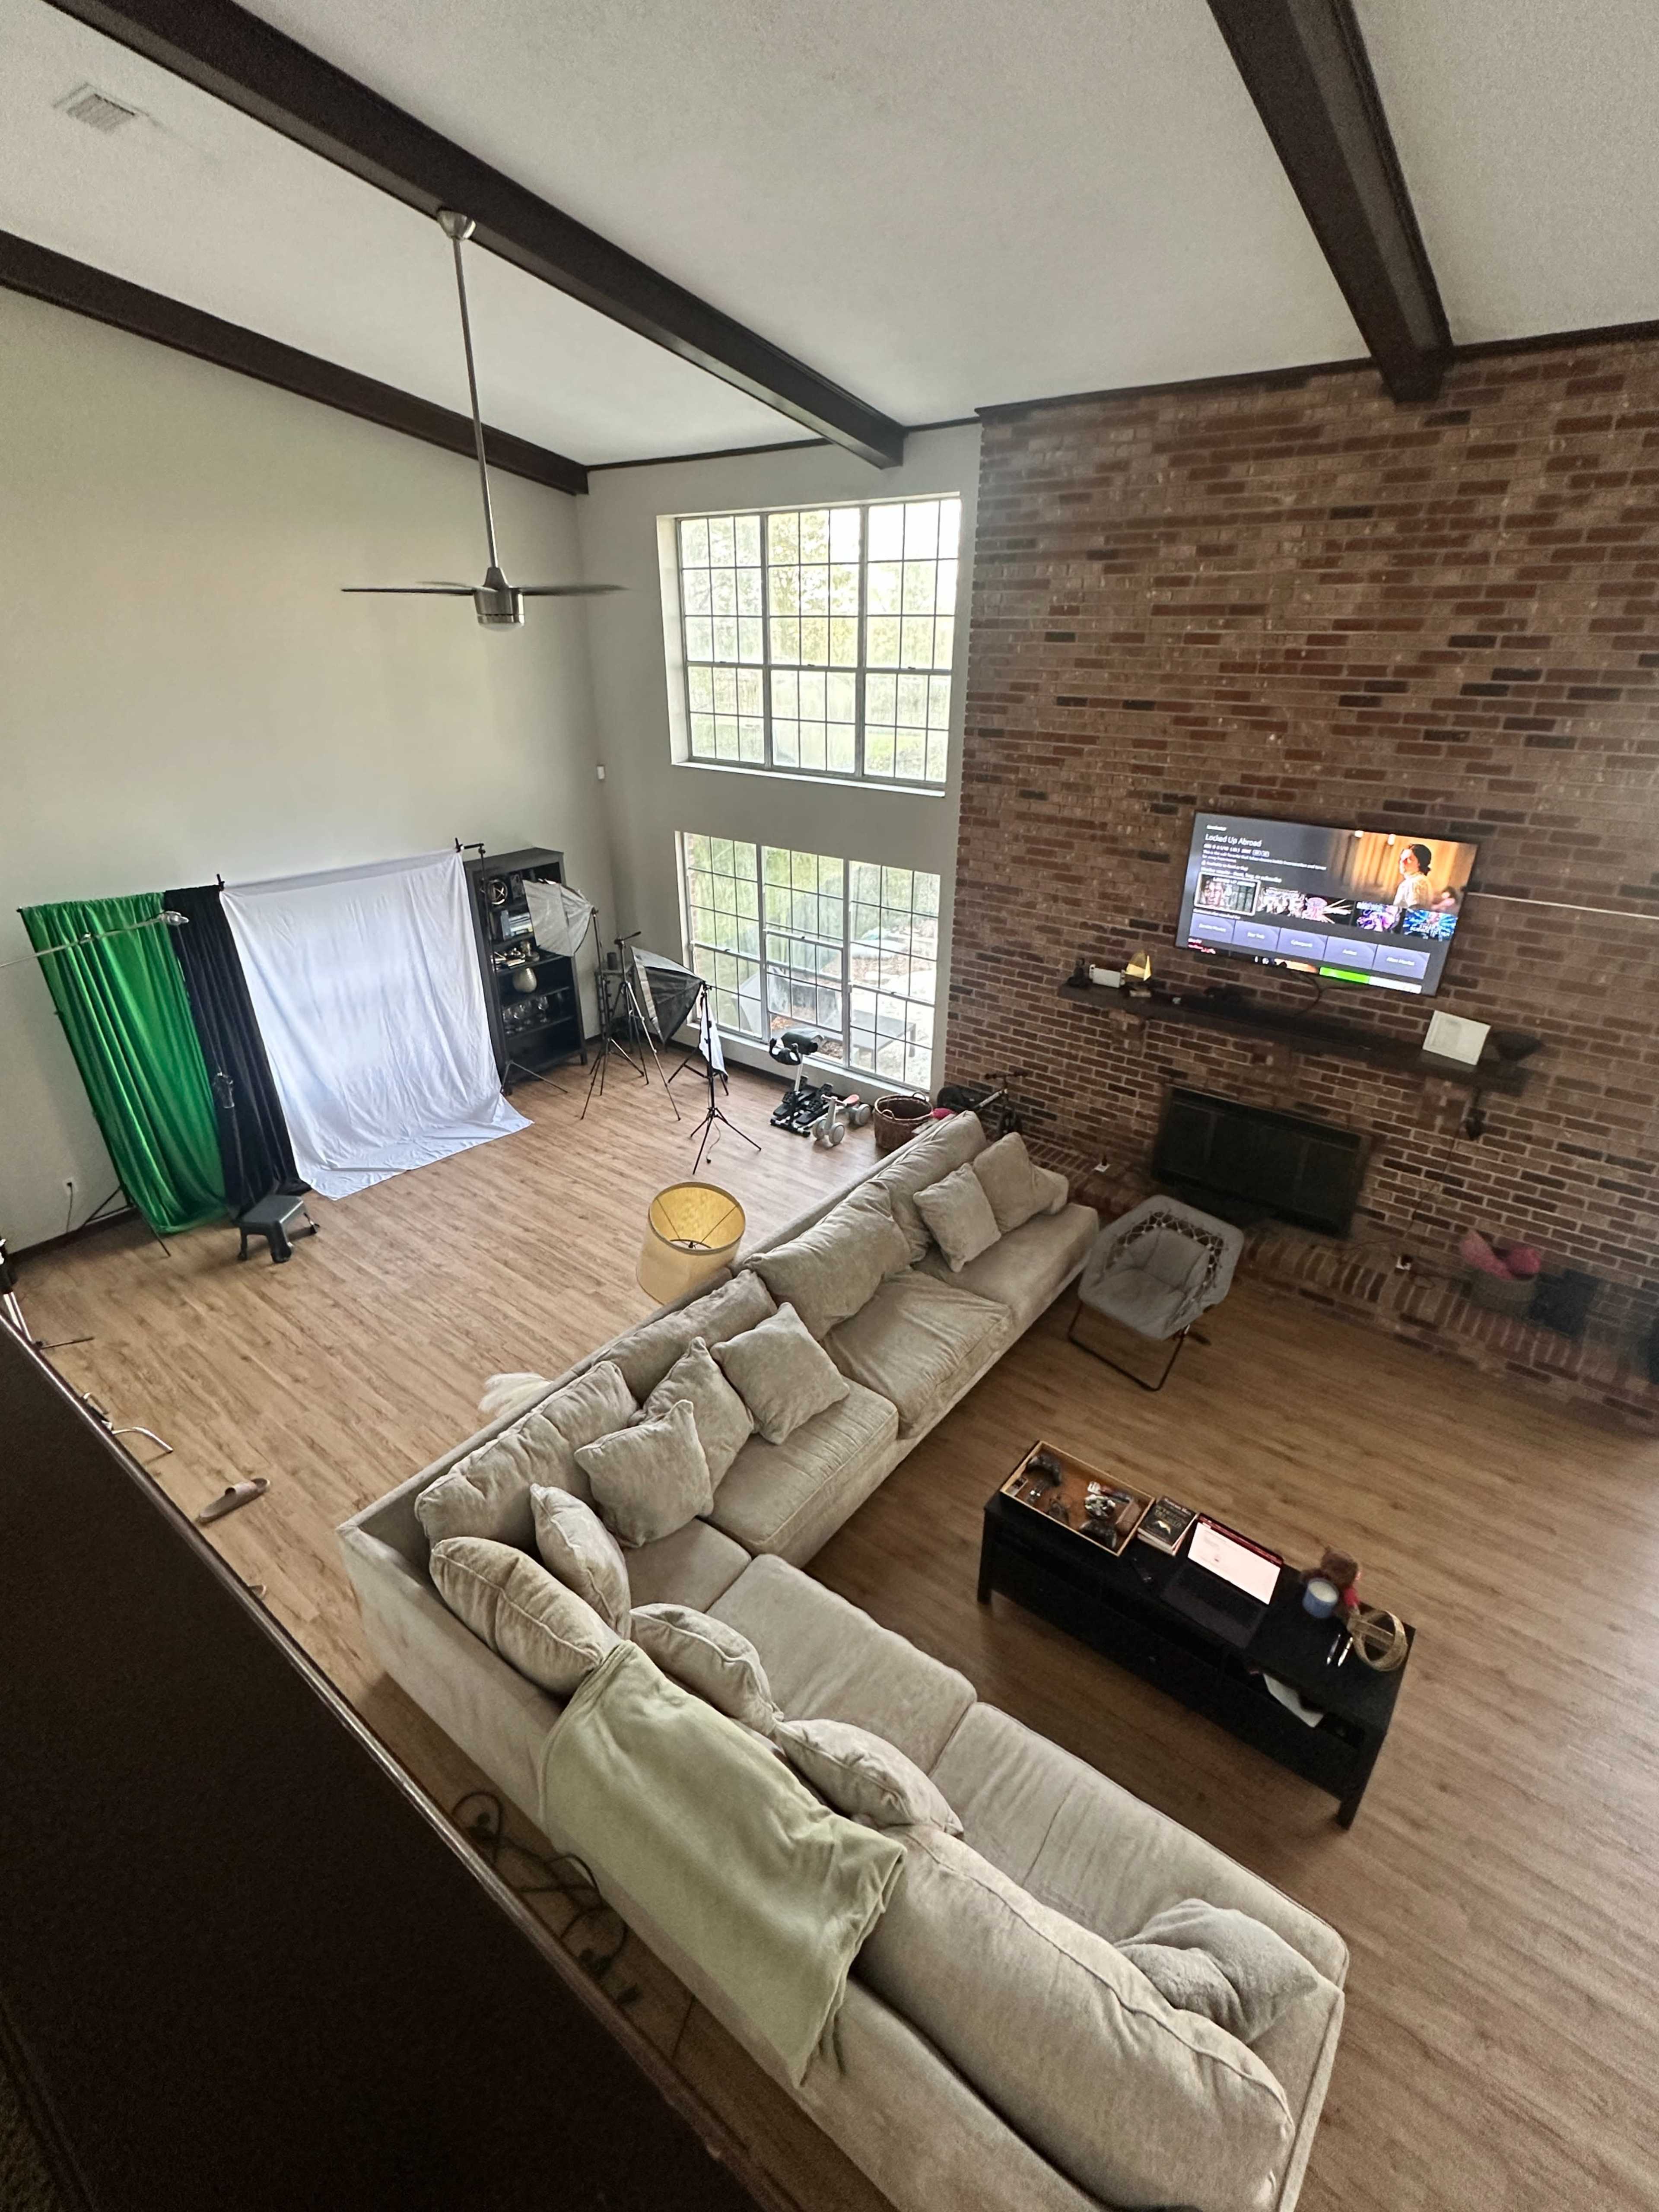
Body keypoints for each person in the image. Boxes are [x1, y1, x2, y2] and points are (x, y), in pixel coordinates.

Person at [1388, 842, 1436, 918]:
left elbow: (1416, 914)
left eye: (1409, 859)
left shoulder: (1417, 882)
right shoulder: (1411, 881)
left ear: (1420, 863)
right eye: (1402, 858)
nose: (1402, 862)